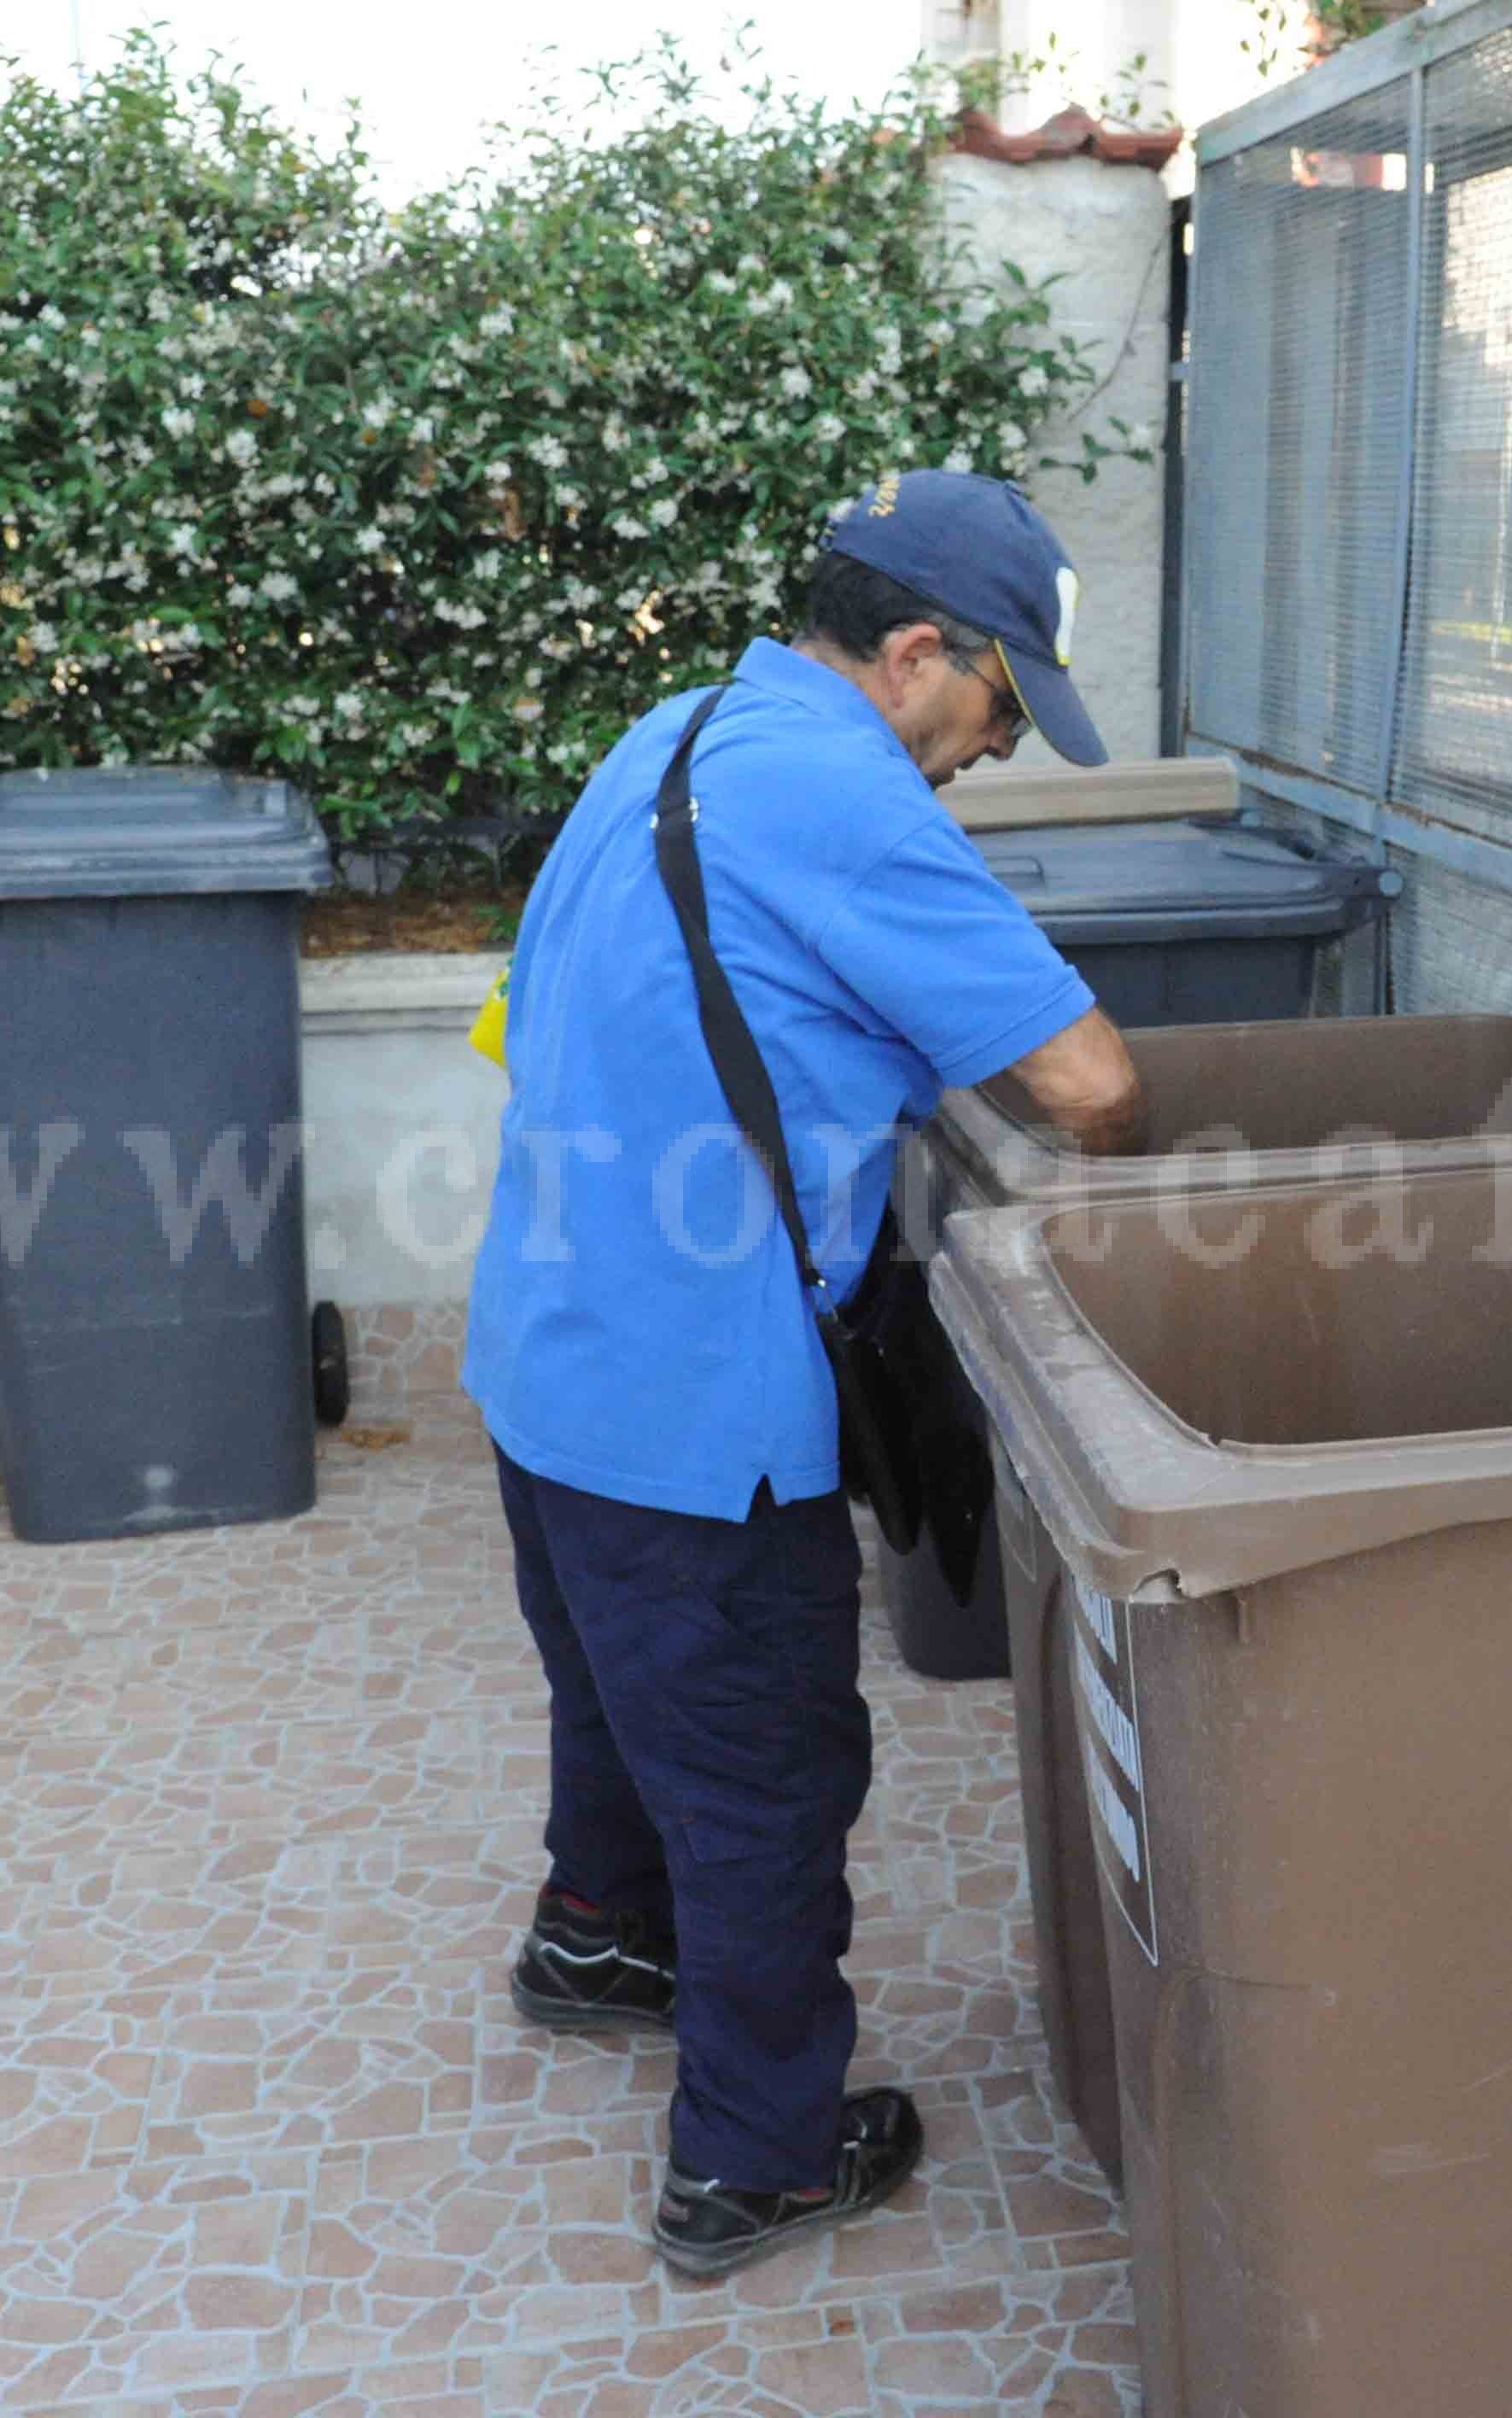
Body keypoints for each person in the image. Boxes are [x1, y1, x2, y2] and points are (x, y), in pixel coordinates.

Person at [464, 470, 1147, 2281]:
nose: (992, 754)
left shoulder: (677, 727)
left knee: (618, 1681)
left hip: (546, 1344)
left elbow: (526, 1015)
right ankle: (754, 2157)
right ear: (919, 652)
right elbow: (1089, 1082)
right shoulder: (846, 789)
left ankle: (600, 1938)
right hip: (697, 1388)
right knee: (767, 1763)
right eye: (1001, 712)